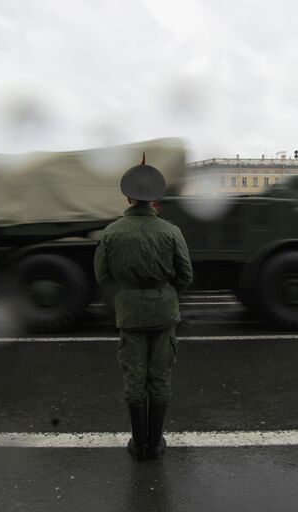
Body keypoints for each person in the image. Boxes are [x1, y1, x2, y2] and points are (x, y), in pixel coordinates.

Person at [94, 154, 193, 461]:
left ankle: (139, 445)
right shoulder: (171, 231)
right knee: (160, 376)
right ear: (155, 198)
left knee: (135, 377)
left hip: (130, 312)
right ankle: (156, 442)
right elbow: (185, 276)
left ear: (128, 196)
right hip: (163, 312)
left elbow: (102, 275)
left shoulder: (111, 232)